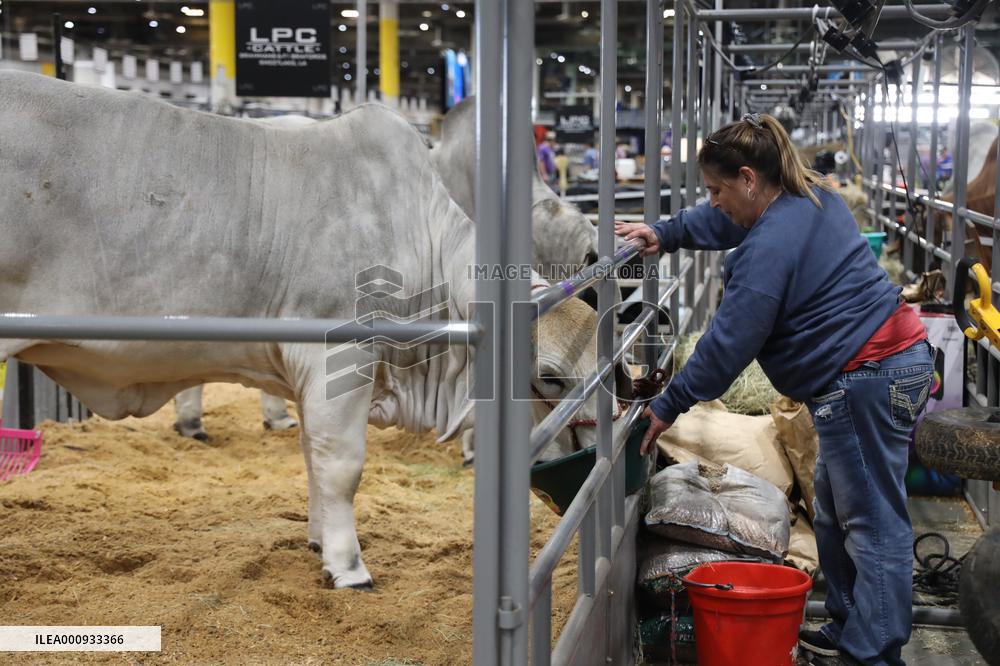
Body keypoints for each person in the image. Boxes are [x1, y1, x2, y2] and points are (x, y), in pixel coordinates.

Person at [616, 112, 932, 666]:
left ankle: (874, 655)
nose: (713, 201)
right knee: (835, 511)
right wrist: (666, 233)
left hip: (866, 377)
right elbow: (727, 221)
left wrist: (668, 405)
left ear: (748, 178)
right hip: (875, 368)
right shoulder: (808, 196)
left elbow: (729, 343)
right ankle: (849, 627)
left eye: (716, 189)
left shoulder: (768, 247)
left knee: (871, 522)